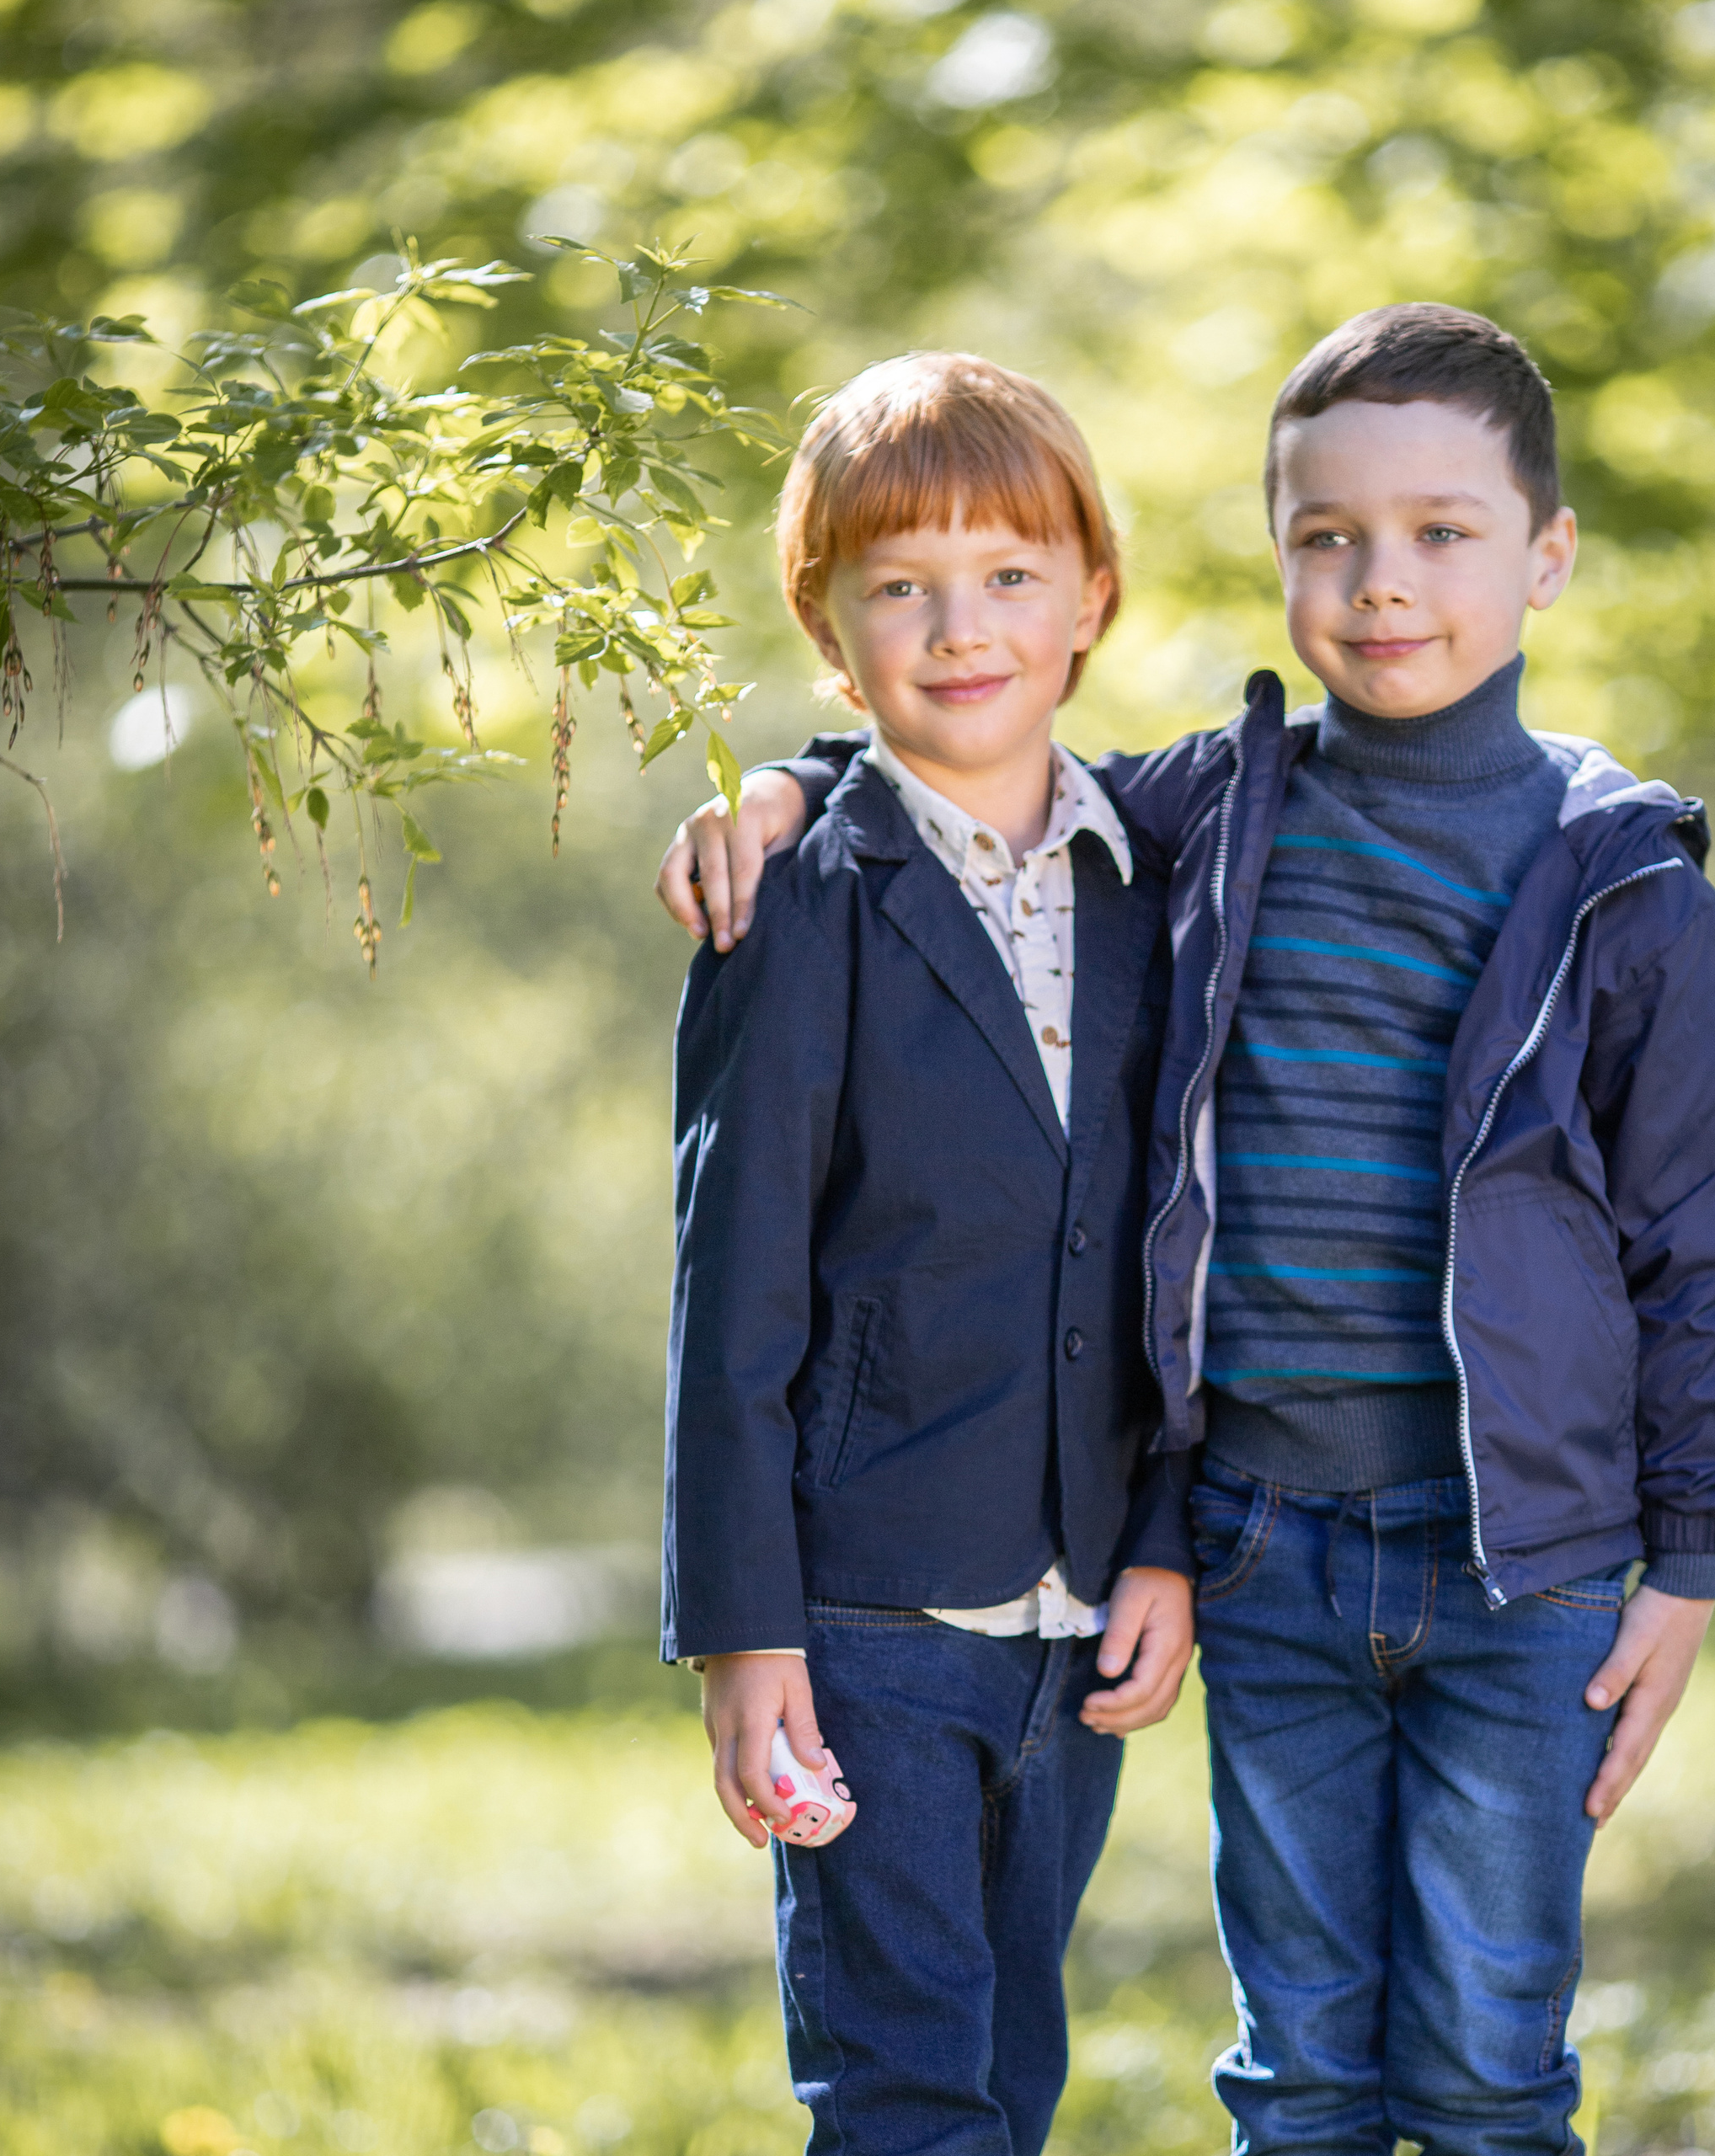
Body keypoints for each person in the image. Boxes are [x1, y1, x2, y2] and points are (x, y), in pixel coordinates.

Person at [662, 304, 1715, 2156]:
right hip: (1260, 1542)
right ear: (1275, 554)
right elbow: (945, 767)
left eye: (1441, 532)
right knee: (1290, 2067)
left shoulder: (1613, 880)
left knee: (1486, 2064)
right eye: (1328, 536)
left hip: (1519, 1559)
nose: (1382, 580)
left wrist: (1690, 1550)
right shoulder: (1214, 813)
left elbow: (1693, 1238)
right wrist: (785, 789)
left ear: (1548, 554)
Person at [662, 349, 1197, 2156]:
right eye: (899, 586)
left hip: (1079, 1624)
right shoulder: (796, 895)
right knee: (905, 2092)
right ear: (829, 624)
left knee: (1012, 2075)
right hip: (866, 1617)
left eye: (1009, 574)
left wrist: (1164, 1539)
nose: (960, 628)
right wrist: (745, 1633)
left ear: (1091, 597)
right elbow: (730, 1291)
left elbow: (1180, 1256)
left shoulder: (1156, 883)